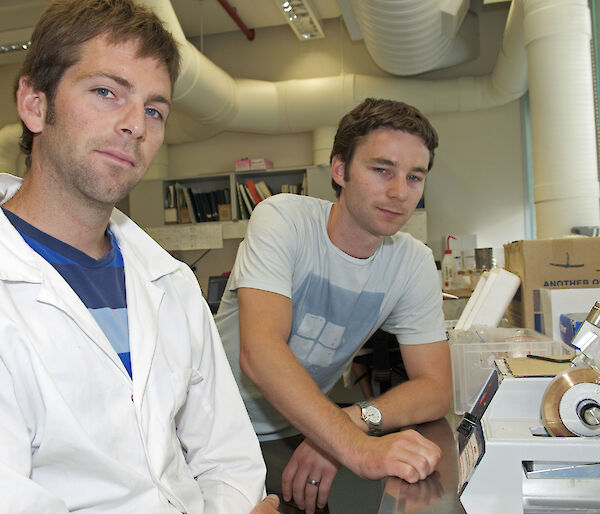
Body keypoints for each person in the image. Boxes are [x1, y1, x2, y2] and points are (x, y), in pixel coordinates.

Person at [0, 0, 277, 512]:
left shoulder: (167, 281)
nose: (136, 125)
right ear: (35, 104)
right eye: (106, 92)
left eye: (154, 109)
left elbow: (227, 456)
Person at [216, 98, 453, 513]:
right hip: (209, 427)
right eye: (382, 170)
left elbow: (436, 389)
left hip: (301, 425)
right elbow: (260, 352)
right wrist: (355, 448)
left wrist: (349, 422)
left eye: (415, 177)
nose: (400, 193)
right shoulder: (284, 219)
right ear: (340, 170)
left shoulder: (412, 261)